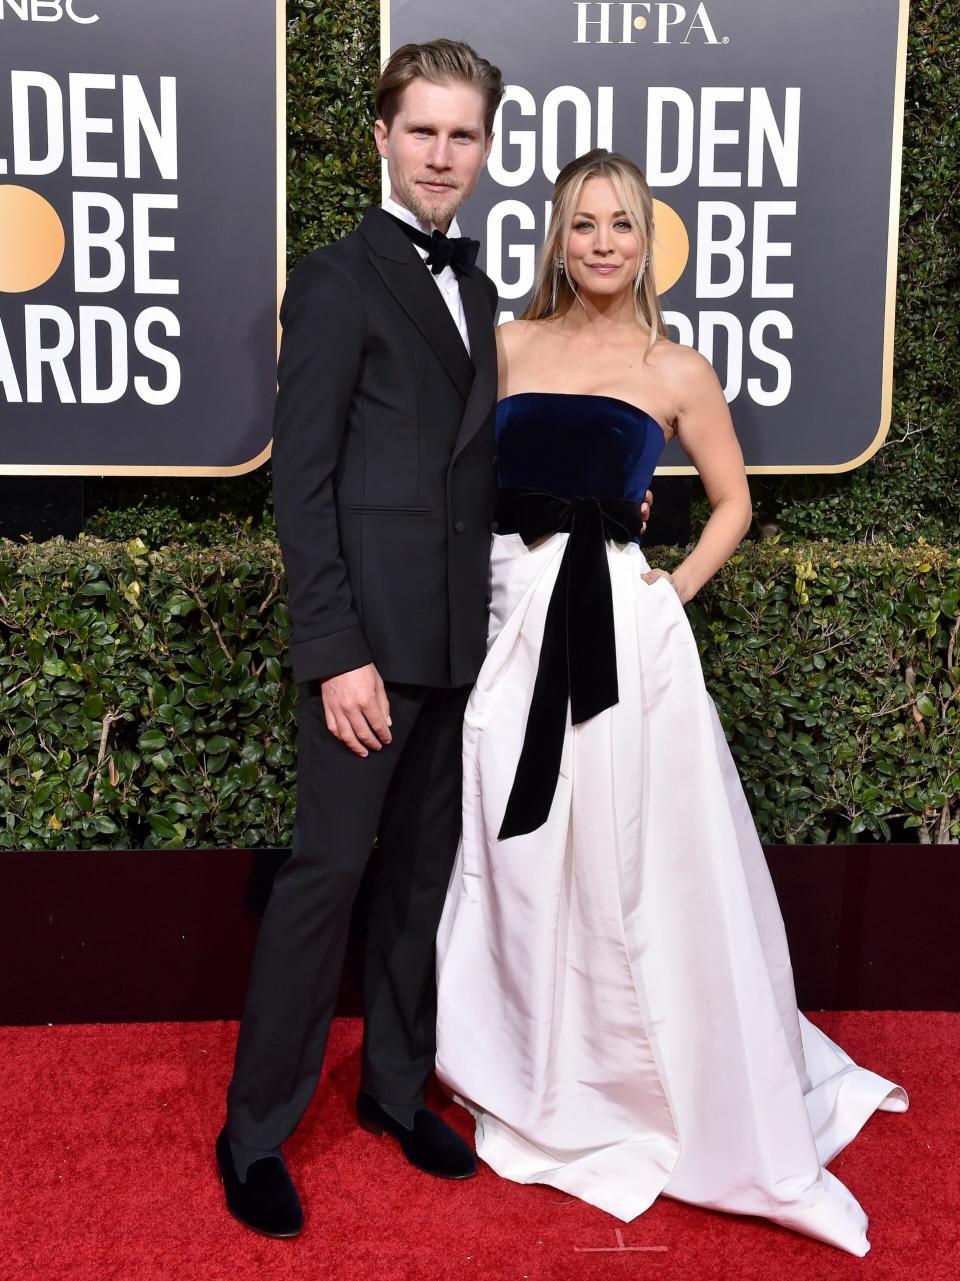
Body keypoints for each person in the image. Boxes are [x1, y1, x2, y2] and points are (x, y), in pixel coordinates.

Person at [434, 148, 908, 1257]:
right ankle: (535, 1062)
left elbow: (734, 504)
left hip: (620, 637)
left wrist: (669, 585)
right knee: (522, 844)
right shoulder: (506, 347)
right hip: (509, 621)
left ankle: (654, 1078)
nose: (603, 242)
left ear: (651, 244)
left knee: (636, 854)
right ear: (557, 238)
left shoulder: (679, 366)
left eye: (624, 225)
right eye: (584, 224)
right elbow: (459, 483)